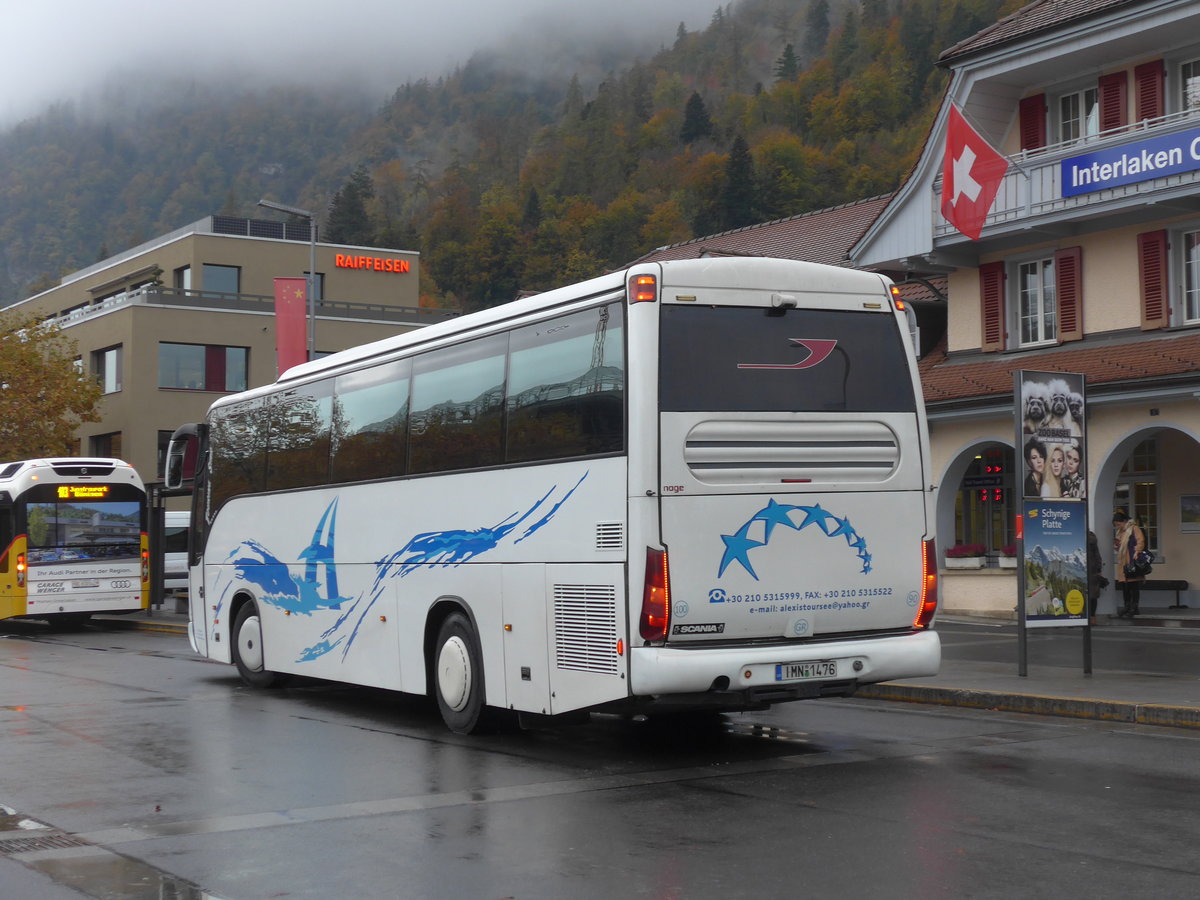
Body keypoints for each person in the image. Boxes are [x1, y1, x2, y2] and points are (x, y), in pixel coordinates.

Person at [1112, 509, 1146, 618]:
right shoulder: (1121, 532)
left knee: (1134, 585)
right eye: (1116, 524)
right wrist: (1117, 545)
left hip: (1132, 561)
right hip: (1123, 562)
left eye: (1119, 523)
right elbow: (1120, 547)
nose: (1118, 526)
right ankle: (1127, 606)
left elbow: (1141, 542)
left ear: (1124, 521)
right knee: (1125, 586)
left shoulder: (1134, 529)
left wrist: (1136, 552)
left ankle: (1134, 607)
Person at [1086, 530, 1107, 625]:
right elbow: (1098, 556)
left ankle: (1081, 617)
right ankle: (1092, 618)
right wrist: (1099, 570)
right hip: (1093, 571)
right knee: (1093, 596)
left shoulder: (1078, 536)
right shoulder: (1092, 538)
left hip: (1086, 571)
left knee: (1084, 595)